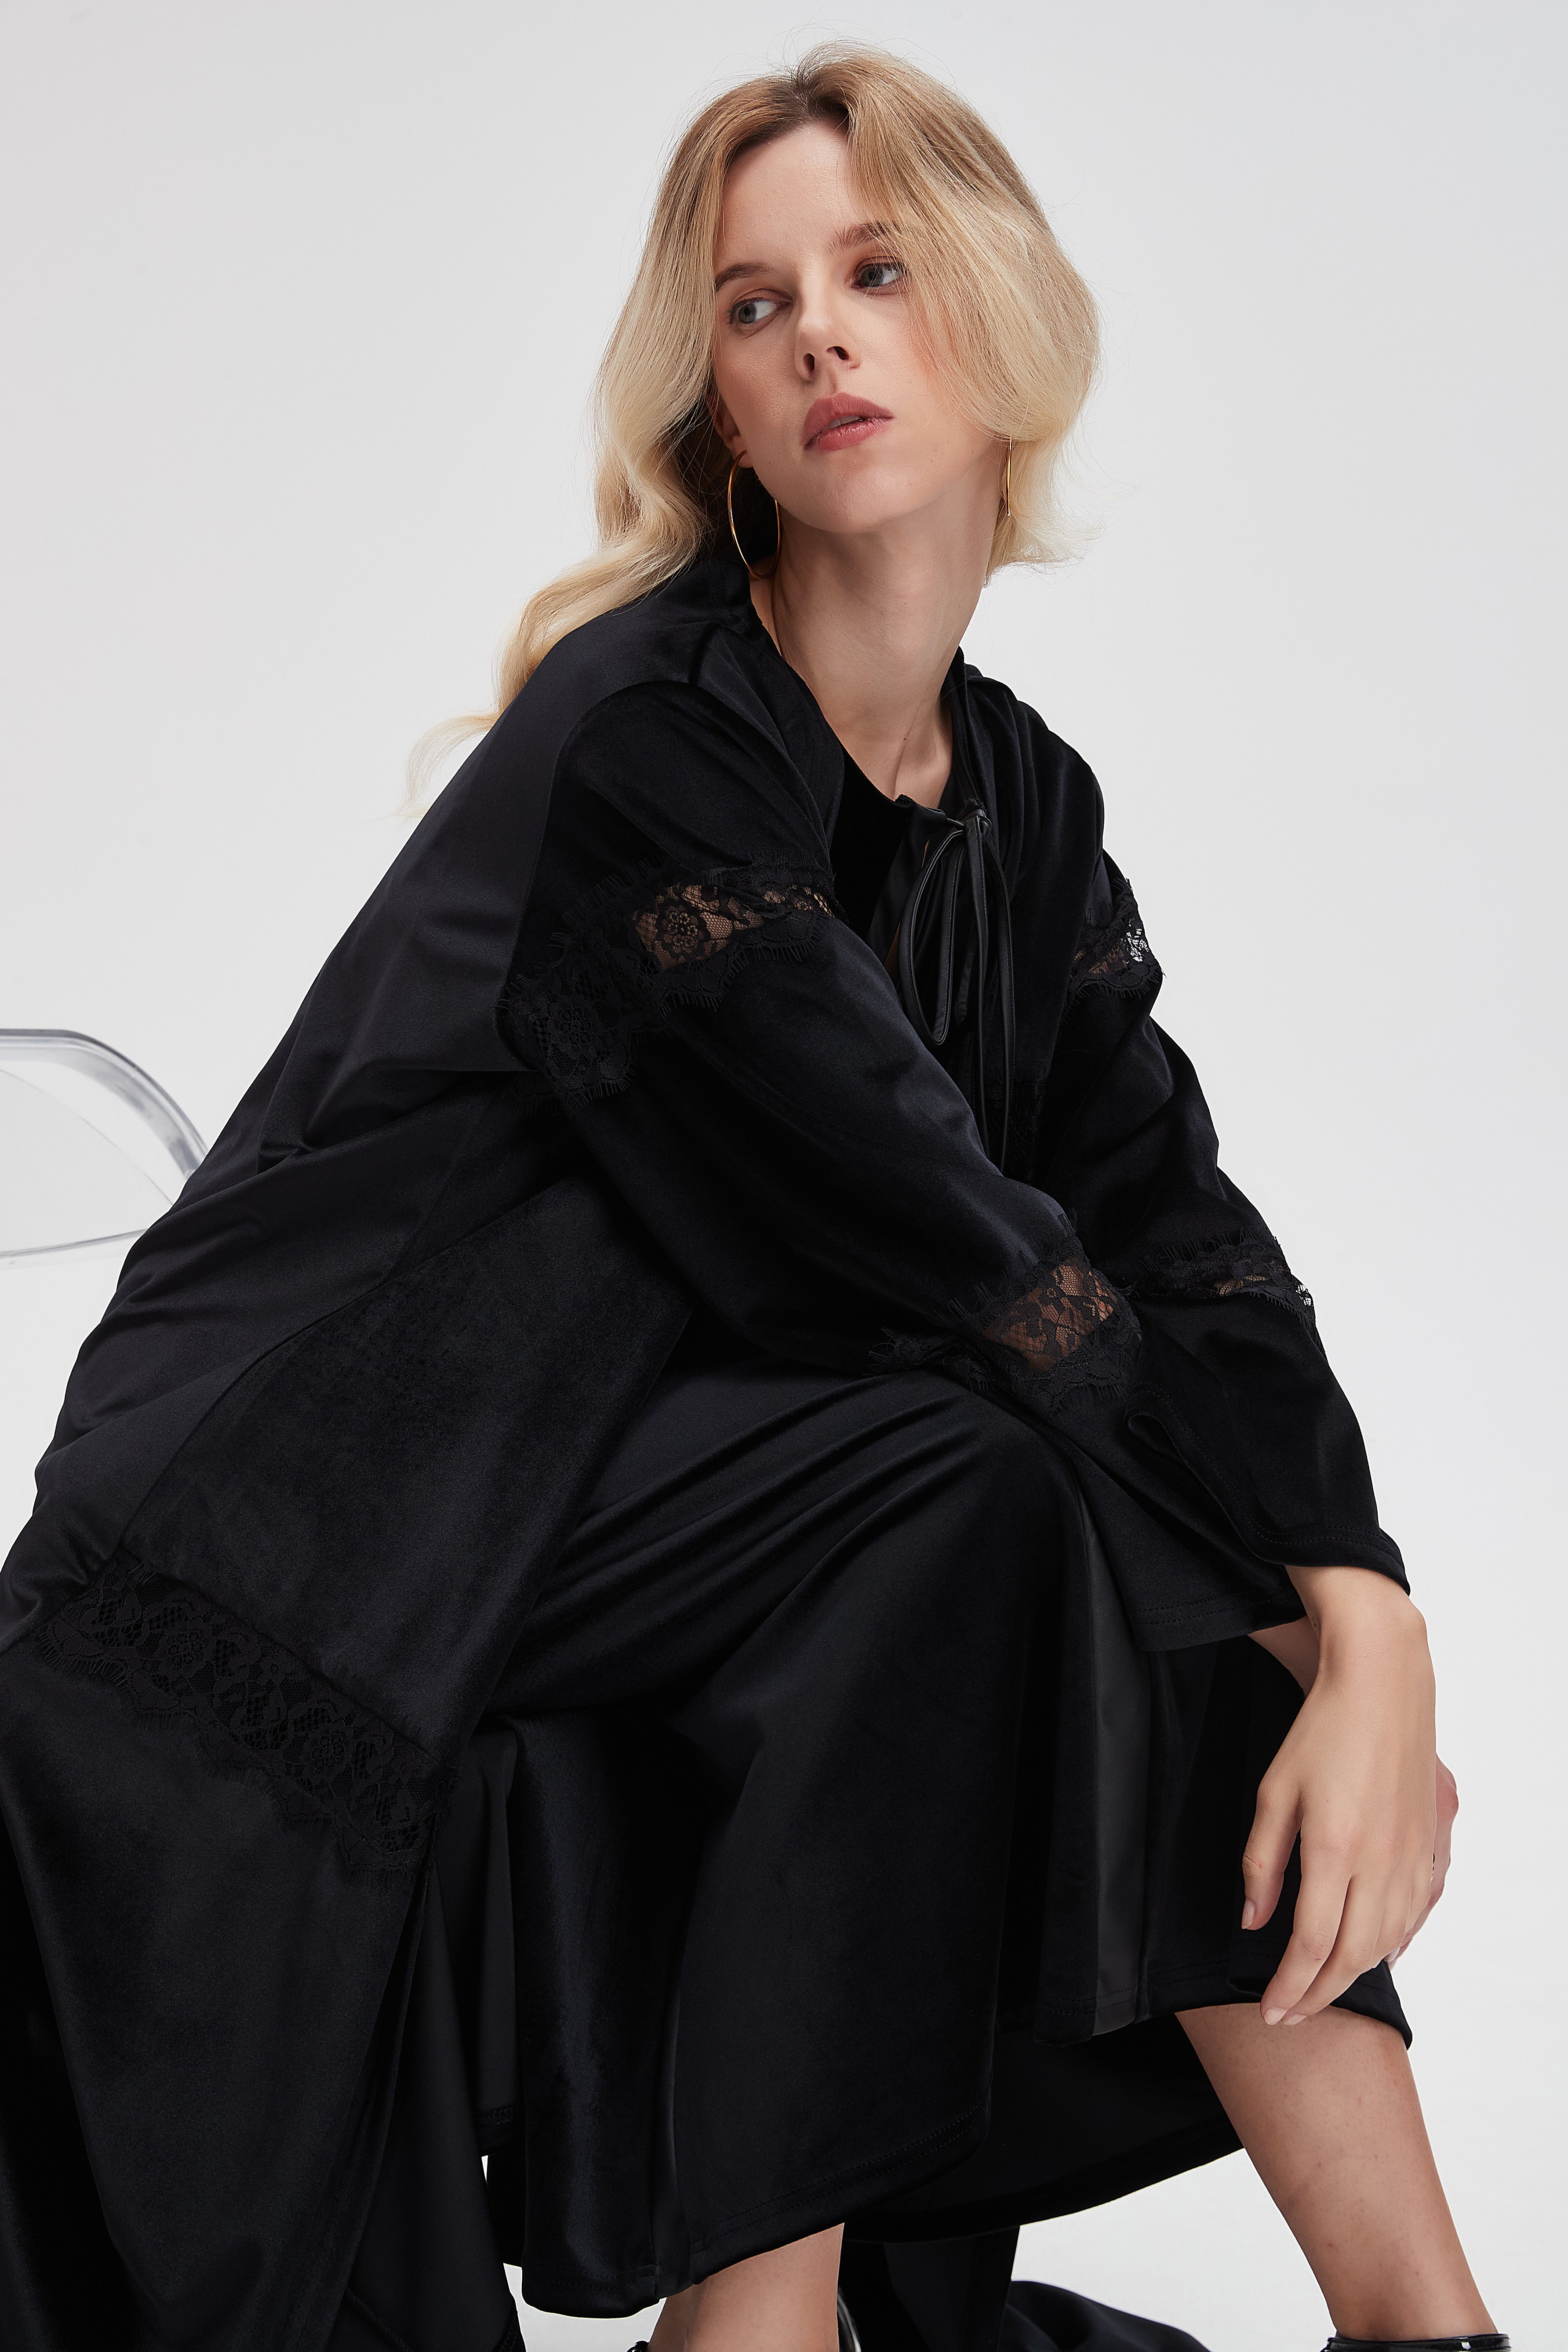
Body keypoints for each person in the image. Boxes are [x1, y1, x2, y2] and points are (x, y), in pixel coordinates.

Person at [0, 44, 1503, 2352]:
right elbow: (940, 1244)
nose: (819, 336)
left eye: (878, 272)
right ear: (714, 396)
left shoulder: (1018, 805)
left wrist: (1365, 1611)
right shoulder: (655, 739)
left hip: (614, 1486)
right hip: (314, 1509)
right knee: (996, 1476)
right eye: (756, 302)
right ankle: (760, 2325)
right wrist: (1313, 1630)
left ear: (998, 316)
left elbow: (1179, 1238)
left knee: (1070, 1496)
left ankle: (1430, 2327)